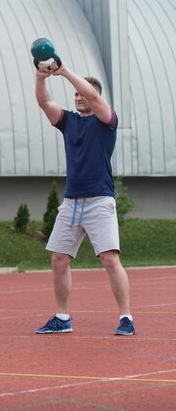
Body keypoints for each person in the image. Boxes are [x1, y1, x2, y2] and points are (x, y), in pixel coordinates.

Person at [34, 60, 135, 335]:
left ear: (95, 95)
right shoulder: (68, 121)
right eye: (76, 94)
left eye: (83, 93)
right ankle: (62, 317)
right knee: (59, 258)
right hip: (71, 202)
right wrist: (41, 77)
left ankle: (126, 317)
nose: (78, 96)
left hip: (100, 200)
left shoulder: (106, 120)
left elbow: (92, 95)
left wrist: (64, 71)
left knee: (110, 259)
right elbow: (45, 103)